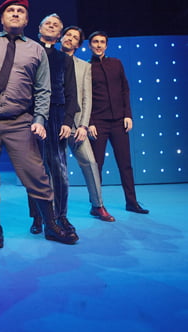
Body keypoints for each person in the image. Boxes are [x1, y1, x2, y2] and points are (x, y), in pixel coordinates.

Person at [0, 0, 78, 248]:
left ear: (27, 20)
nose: (15, 14)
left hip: (20, 121)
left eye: (20, 11)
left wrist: (39, 119)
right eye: (11, 10)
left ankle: (51, 226)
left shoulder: (36, 49)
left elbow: (43, 89)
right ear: (2, 18)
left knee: (37, 175)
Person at [26, 14, 79, 239]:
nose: (51, 26)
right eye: (47, 23)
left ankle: (61, 216)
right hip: (31, 115)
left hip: (57, 115)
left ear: (59, 34)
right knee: (35, 169)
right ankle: (38, 217)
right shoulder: (28, 52)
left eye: (56, 25)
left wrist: (68, 121)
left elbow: (72, 93)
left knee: (59, 168)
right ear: (39, 28)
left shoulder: (64, 59)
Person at [88, 31, 149, 214]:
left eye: (102, 42)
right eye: (95, 42)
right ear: (90, 45)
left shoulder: (116, 63)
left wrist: (127, 115)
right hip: (98, 122)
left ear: (106, 45)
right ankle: (96, 205)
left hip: (119, 122)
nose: (99, 45)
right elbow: (84, 97)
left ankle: (132, 202)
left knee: (125, 164)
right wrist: (90, 122)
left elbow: (125, 89)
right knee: (96, 166)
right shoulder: (86, 67)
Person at [60, 26, 115, 221]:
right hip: (54, 123)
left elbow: (87, 98)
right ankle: (52, 212)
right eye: (68, 35)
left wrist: (83, 125)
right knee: (55, 170)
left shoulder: (84, 66)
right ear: (61, 37)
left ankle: (98, 205)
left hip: (76, 125)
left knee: (90, 163)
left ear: (78, 44)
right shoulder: (49, 59)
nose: (70, 38)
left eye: (75, 37)